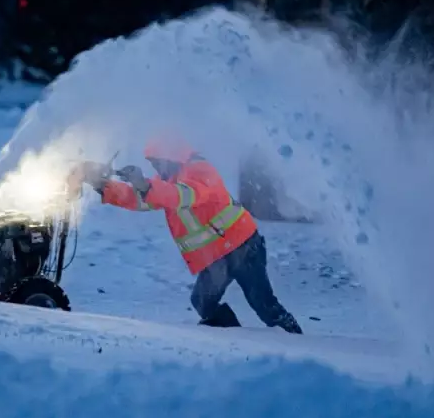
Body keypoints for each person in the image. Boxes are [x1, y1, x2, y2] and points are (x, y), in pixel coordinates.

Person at [79, 137, 303, 334]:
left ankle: (296, 341)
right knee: (202, 302)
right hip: (218, 255)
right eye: (152, 164)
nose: (155, 167)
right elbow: (140, 198)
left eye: (157, 162)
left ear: (171, 156)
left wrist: (145, 185)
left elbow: (182, 196)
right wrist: (103, 185)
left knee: (264, 305)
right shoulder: (168, 179)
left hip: (244, 248)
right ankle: (234, 341)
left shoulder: (200, 170)